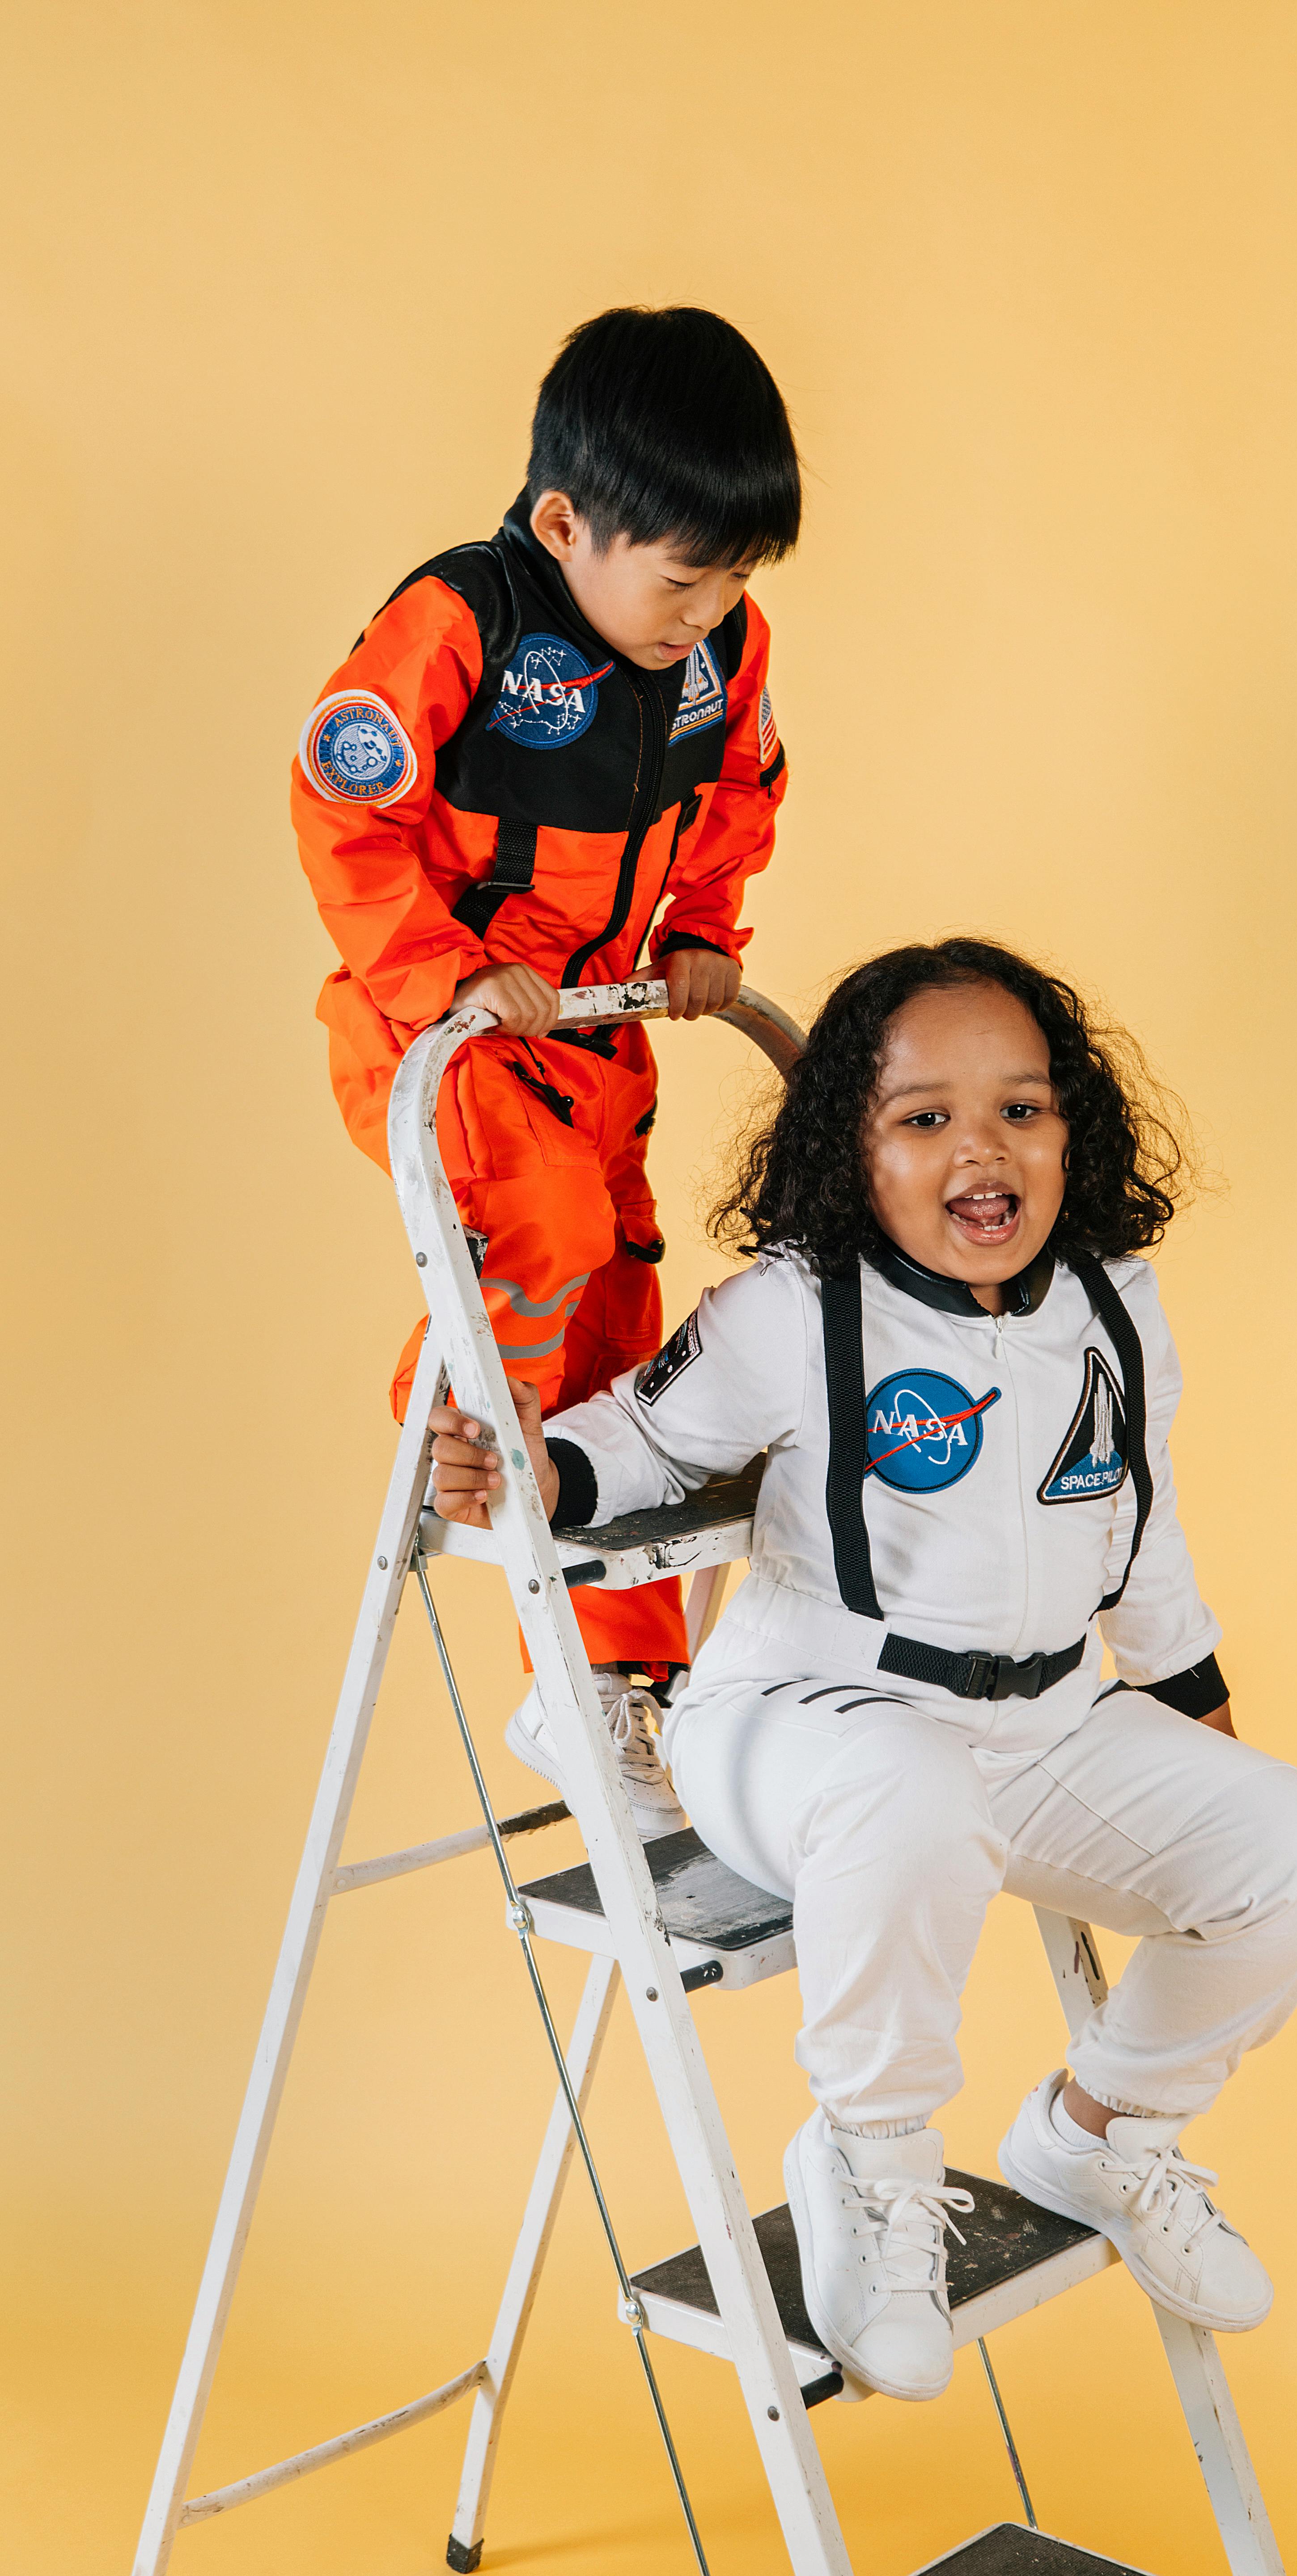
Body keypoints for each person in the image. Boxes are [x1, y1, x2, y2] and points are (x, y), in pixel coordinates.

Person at [428, 939, 1297, 2405]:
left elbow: (1147, 1528)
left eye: (1022, 1111)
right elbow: (641, 1443)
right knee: (909, 1789)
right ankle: (872, 2172)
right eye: (923, 1119)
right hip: (810, 1723)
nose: (980, 1150)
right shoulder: (799, 1308)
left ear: (1076, 1132)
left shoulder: (1115, 1305)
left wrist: (1195, 1714)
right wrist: (530, 1469)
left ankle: (1103, 2131)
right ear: (847, 1152)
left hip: (1047, 1720)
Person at [293, 306, 800, 1837]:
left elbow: (743, 795)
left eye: (733, 585)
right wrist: (451, 973)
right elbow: (342, 804)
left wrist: (703, 934)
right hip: (438, 1029)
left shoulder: (721, 656)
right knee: (548, 1242)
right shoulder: (467, 621)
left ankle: (620, 1690)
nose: (704, 616)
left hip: (592, 1034)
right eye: (681, 579)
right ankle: (445, 1420)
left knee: (627, 1301)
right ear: (568, 522)